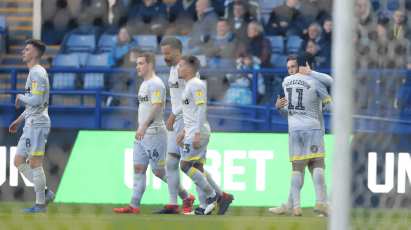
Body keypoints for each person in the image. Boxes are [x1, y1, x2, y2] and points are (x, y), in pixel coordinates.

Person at [157, 37, 234, 215]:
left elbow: (196, 104)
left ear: (177, 52)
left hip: (188, 122)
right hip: (177, 120)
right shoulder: (172, 70)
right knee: (177, 163)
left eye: (167, 53)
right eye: (163, 54)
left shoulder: (189, 73)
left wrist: (186, 127)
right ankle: (204, 199)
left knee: (188, 166)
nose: (165, 57)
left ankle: (208, 198)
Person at [112, 53, 190, 214]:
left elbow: (157, 108)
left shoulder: (156, 84)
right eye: (137, 63)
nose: (137, 66)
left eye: (140, 63)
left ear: (150, 65)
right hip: (143, 134)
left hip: (154, 134)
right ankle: (134, 206)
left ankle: (185, 197)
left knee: (159, 171)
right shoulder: (144, 83)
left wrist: (145, 126)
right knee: (139, 168)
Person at [269, 54, 333, 216]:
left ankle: (294, 206)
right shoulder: (316, 81)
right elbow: (330, 99)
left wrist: (279, 108)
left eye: (293, 67)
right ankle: (322, 204)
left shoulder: (286, 82)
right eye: (288, 68)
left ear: (300, 66)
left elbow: (292, 112)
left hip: (295, 131)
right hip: (313, 129)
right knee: (317, 166)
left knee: (298, 168)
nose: (291, 70)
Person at [173, 55, 223, 215]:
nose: (178, 69)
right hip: (193, 130)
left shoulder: (196, 85)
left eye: (180, 66)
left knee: (184, 166)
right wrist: (184, 130)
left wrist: (196, 133)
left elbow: (202, 108)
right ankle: (202, 207)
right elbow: (190, 110)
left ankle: (212, 195)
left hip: (197, 131)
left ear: (189, 69)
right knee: (197, 168)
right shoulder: (190, 86)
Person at [10, 39, 55, 213]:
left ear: (35, 54)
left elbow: (36, 101)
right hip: (29, 123)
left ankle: (40, 205)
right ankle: (45, 193)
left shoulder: (37, 73)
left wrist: (20, 96)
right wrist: (19, 120)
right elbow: (34, 104)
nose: (23, 51)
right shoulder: (34, 73)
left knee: (36, 164)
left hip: (37, 125)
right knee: (18, 161)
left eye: (27, 49)